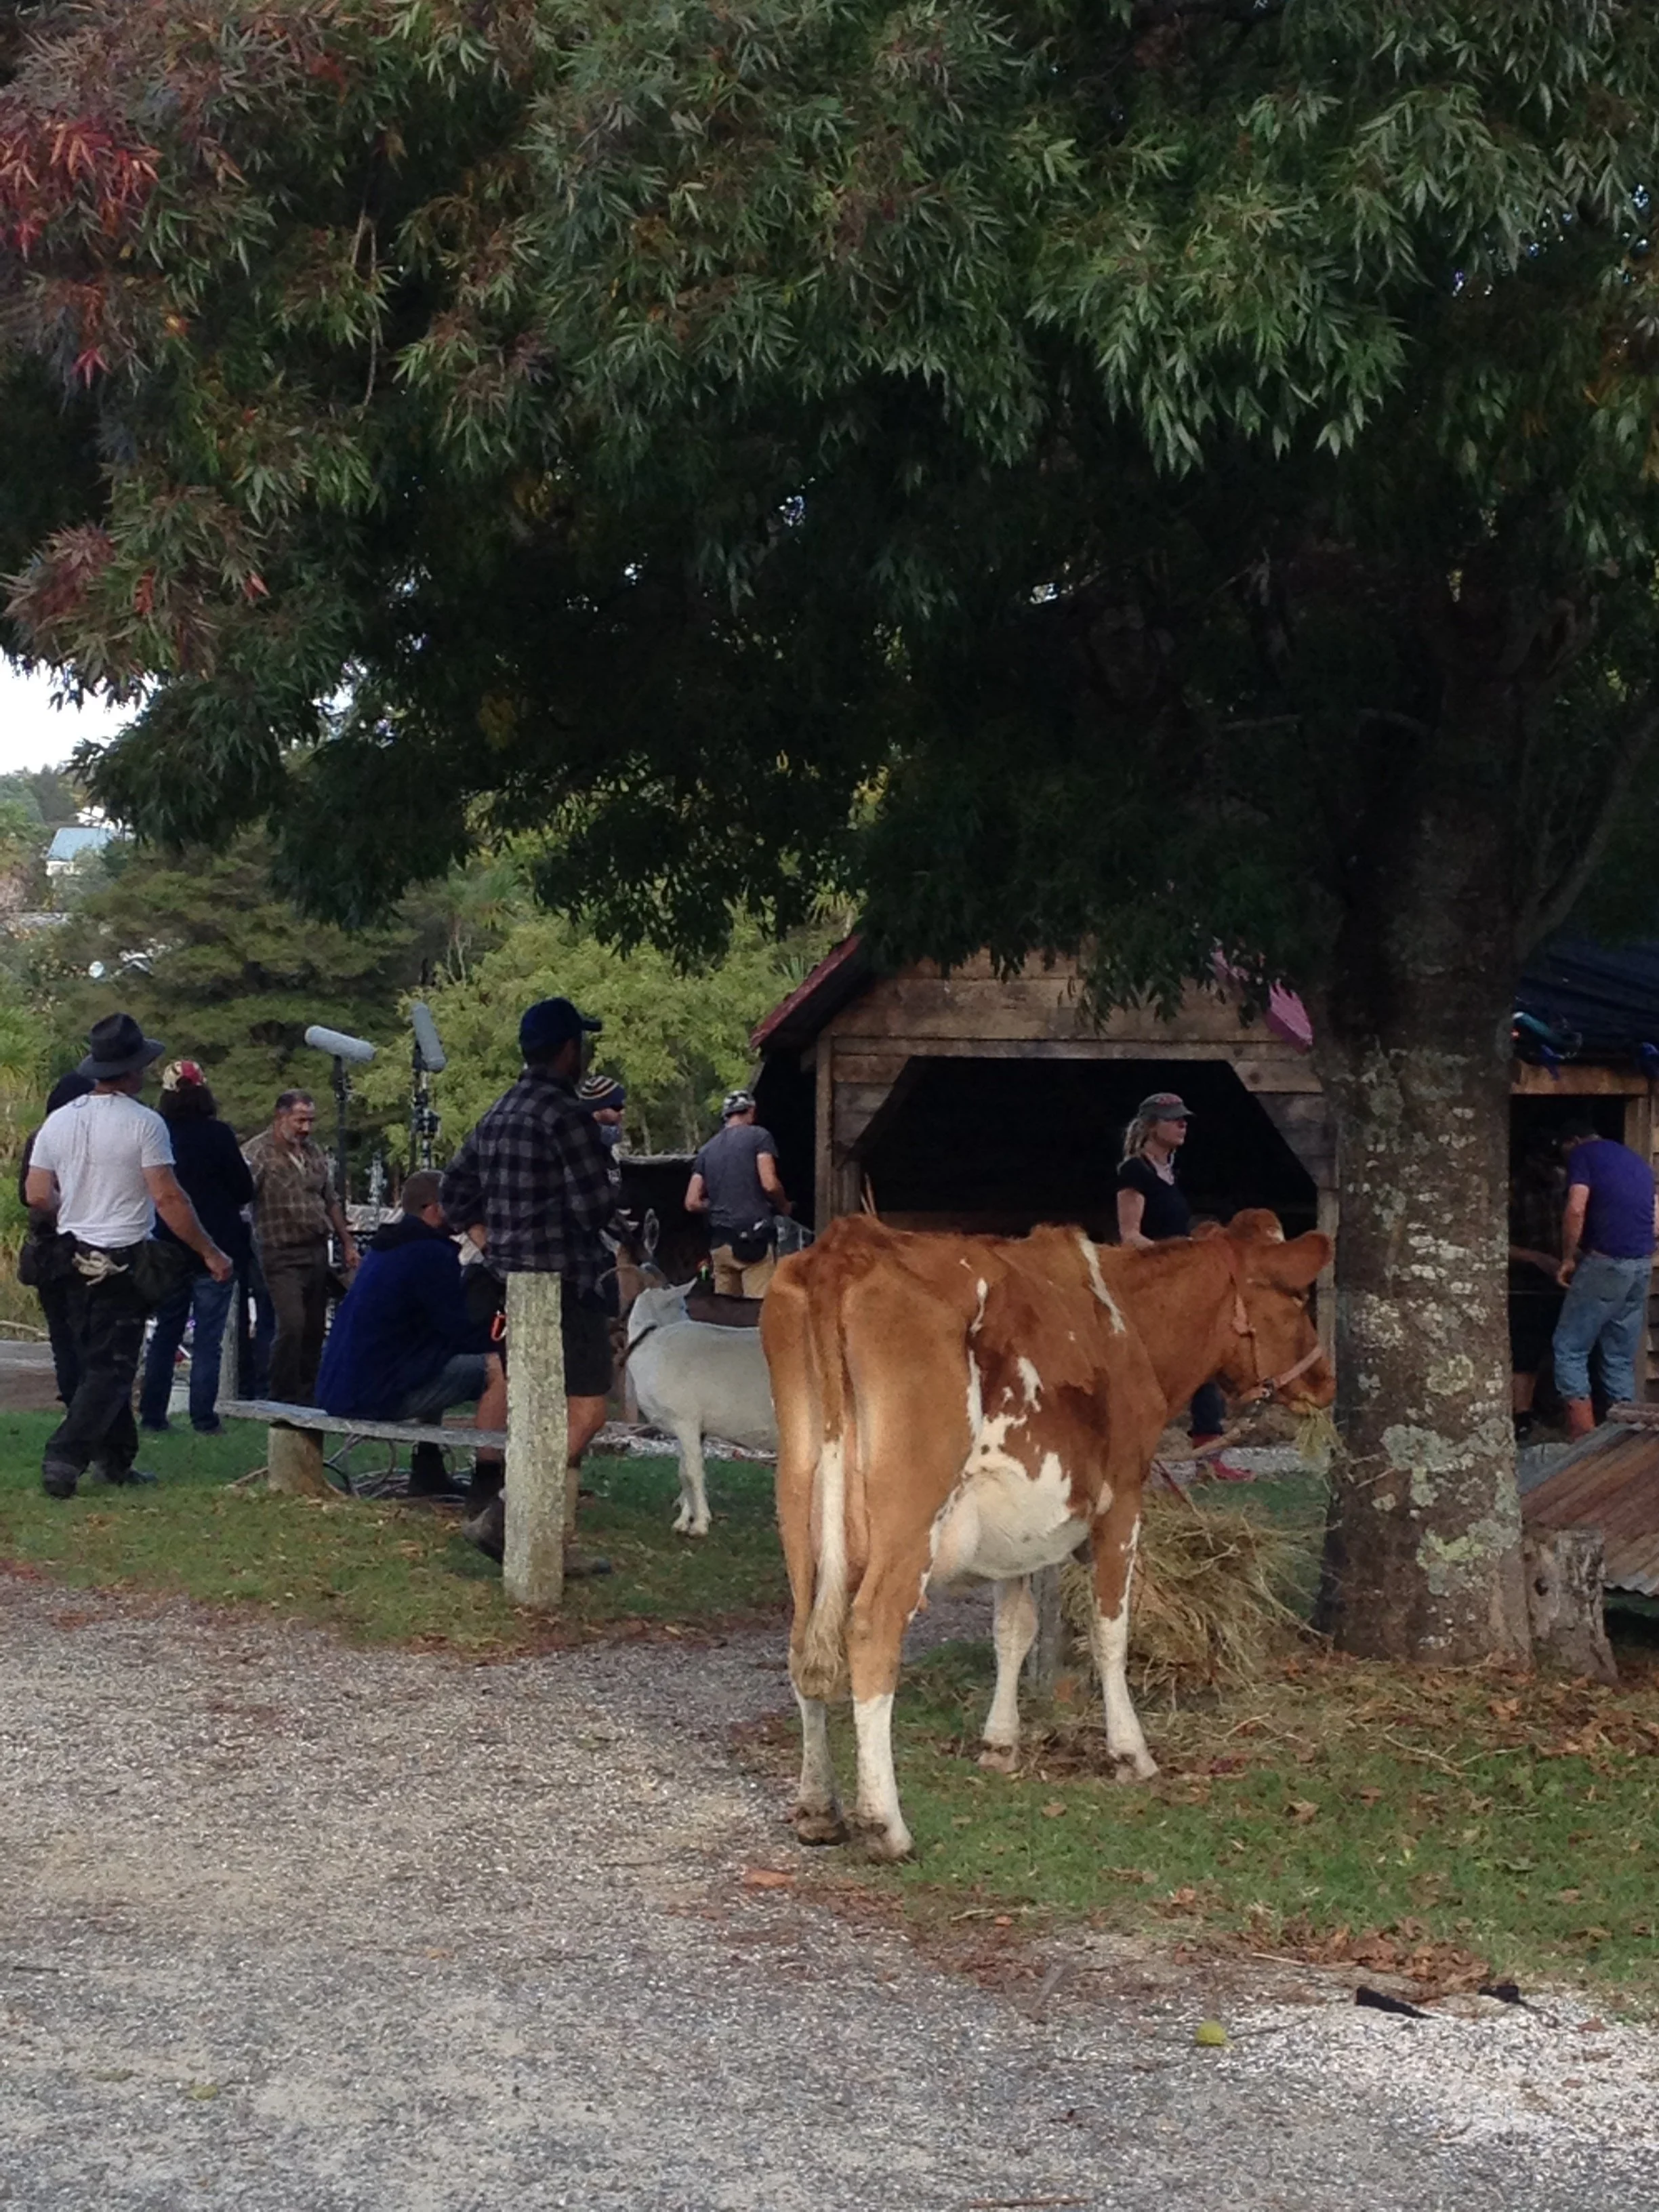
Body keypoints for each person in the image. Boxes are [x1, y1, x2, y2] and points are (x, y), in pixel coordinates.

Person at [440, 996, 619, 1572]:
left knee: (539, 1412)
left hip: (508, 1287)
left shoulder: (497, 1112)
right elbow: (595, 1207)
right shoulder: (567, 1117)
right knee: (586, 1413)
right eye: (582, 1044)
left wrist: (490, 1239)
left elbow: (452, 1193)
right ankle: (508, 1512)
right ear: (570, 1050)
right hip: (569, 1284)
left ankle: (542, 1539)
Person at [24, 1012, 232, 1499]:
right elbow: (168, 1198)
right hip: (120, 1255)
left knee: (96, 1359)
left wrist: (72, 1207)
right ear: (135, 1070)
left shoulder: (60, 1120)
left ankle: (117, 1461)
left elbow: (37, 1194)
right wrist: (210, 1251)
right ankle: (64, 1457)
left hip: (71, 1253)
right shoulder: (146, 1124)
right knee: (112, 1367)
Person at [316, 1168, 506, 1498]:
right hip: (374, 1394)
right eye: (455, 1204)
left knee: (435, 1356)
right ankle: (488, 1480)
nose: (463, 1212)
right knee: (499, 1369)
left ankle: (428, 1467)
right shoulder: (431, 1254)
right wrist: (499, 1336)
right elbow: (458, 1329)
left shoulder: (385, 1248)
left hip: (342, 1386)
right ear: (433, 1209)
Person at [1114, 1090, 1244, 1479]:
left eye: (1184, 1118)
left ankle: (1209, 1458)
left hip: (1179, 1280)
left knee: (1204, 1361)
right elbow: (1130, 1236)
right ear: (1152, 1126)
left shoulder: (1172, 1170)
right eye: (1174, 1119)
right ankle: (1130, 1453)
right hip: (1151, 1281)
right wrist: (1181, 1252)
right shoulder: (1134, 1173)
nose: (1183, 1124)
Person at [138, 1061, 255, 1435]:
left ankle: (153, 1414)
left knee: (166, 1334)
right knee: (209, 1339)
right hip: (216, 1245)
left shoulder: (158, 1133)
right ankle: (203, 1417)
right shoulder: (219, 1135)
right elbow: (244, 1189)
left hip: (169, 1244)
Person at [243, 1089, 359, 1406]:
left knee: (313, 1326)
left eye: (310, 1121)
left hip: (317, 1247)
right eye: (300, 1120)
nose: (306, 1128)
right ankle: (280, 1392)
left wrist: (347, 1242)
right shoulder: (258, 1153)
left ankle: (308, 1392)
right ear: (281, 1117)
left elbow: (330, 1199)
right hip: (279, 1250)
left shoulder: (315, 1152)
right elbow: (241, 1195)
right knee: (291, 1323)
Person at [1551, 1117, 1659, 1437]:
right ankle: (1626, 1434)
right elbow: (1655, 1221)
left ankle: (1583, 1435)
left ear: (1572, 1140)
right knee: (1619, 1352)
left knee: (1569, 1347)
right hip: (1640, 1262)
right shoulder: (1634, 1160)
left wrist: (1568, 1257)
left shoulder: (1582, 1156)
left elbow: (1576, 1208)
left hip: (1607, 1261)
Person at [18, 1071, 94, 1408]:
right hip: (70, 1244)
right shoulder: (73, 1139)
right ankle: (82, 1401)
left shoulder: (41, 1136)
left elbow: (28, 1194)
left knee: (62, 1335)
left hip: (47, 1246)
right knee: (81, 1333)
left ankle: (73, 1400)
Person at [684, 1089, 790, 1296]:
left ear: (726, 1115)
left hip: (720, 1245)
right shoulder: (759, 1137)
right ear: (751, 1111)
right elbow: (769, 1184)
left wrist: (716, 1204)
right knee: (758, 1313)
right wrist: (784, 1204)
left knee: (725, 1312)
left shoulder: (707, 1150)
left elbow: (692, 1202)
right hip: (754, 1243)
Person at [1507, 1131, 1567, 1442]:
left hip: (1564, 1278)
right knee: (1526, 1350)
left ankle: (1554, 1408)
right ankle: (1522, 1415)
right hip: (1525, 1282)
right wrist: (1534, 1258)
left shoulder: (1565, 1184)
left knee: (1561, 1346)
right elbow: (1494, 1244)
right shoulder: (1513, 1189)